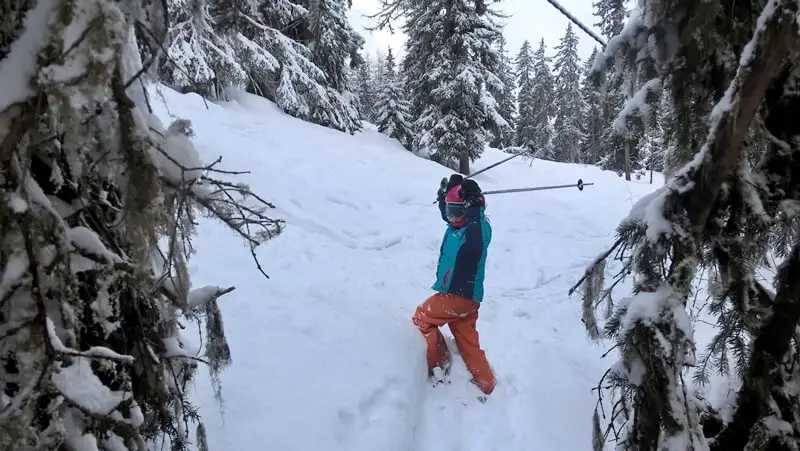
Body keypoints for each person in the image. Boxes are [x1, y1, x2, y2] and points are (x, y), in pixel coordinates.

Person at [411, 174, 496, 396]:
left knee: (422, 317)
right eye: (449, 211)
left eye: (458, 212)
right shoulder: (457, 226)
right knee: (468, 343)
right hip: (467, 299)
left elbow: (475, 245)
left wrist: (475, 209)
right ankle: (486, 382)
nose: (452, 217)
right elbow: (449, 215)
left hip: (457, 297)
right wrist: (443, 199)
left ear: (470, 212)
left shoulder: (478, 230)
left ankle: (439, 361)